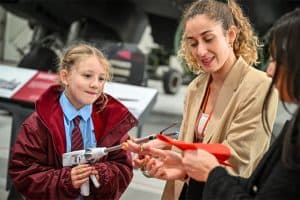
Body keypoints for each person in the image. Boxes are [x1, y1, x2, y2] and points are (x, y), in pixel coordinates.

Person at [123, 0, 278, 199]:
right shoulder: (196, 87)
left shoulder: (260, 87)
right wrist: (162, 153)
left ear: (230, 35)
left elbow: (237, 157)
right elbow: (193, 143)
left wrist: (172, 147)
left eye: (208, 39)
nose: (200, 51)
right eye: (193, 43)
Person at [8, 44, 138, 200]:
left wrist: (103, 173)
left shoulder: (111, 122)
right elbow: (24, 173)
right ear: (65, 76)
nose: (95, 84)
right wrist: (65, 180)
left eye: (101, 78)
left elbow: (123, 167)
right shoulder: (38, 125)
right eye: (87, 76)